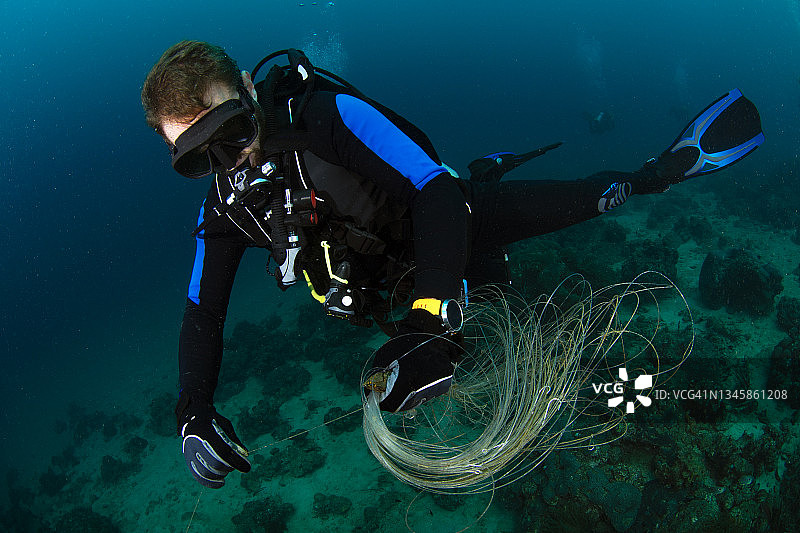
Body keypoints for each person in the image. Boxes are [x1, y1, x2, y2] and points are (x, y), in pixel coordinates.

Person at [141, 41, 764, 488]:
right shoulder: (226, 210)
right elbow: (202, 313)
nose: (230, 161)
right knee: (473, 364)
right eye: (199, 158)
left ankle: (669, 167)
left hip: (453, 230)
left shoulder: (327, 120)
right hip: (405, 296)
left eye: (230, 130)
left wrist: (427, 320)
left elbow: (434, 192)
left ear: (250, 92)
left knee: (585, 205)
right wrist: (193, 411)